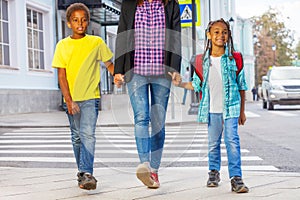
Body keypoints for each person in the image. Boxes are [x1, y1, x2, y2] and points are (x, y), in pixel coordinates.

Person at [170, 18, 249, 193]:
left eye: (224, 32)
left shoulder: (235, 58)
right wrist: (180, 84)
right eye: (216, 32)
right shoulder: (202, 61)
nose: (221, 35)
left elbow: (242, 86)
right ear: (209, 35)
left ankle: (236, 178)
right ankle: (214, 172)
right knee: (213, 144)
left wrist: (242, 112)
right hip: (212, 110)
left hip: (232, 109)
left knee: (232, 142)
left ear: (228, 36)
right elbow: (196, 85)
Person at [114, 0, 181, 189]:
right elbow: (122, 35)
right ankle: (145, 165)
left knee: (158, 121)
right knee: (141, 117)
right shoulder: (129, 4)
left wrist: (175, 67)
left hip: (163, 71)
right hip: (135, 71)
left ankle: (154, 171)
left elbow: (176, 37)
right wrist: (118, 69)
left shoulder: (170, 5)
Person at [52, 3, 114, 190]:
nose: (80, 23)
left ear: (88, 22)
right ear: (69, 23)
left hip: (90, 97)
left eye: (84, 20)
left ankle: (87, 173)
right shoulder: (62, 45)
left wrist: (117, 75)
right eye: (75, 20)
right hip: (71, 98)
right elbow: (61, 76)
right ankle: (82, 173)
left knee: (88, 135)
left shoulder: (96, 42)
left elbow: (109, 64)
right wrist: (68, 101)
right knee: (77, 137)